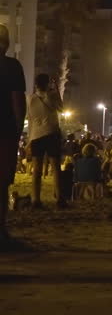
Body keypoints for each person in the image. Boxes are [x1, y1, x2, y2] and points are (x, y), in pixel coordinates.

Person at [0, 24, 27, 243]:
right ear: (6, 44)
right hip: (5, 132)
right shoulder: (12, 67)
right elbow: (18, 101)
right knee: (1, 183)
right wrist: (19, 130)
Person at [27, 72, 64, 208]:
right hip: (52, 133)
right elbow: (61, 108)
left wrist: (29, 141)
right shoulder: (52, 96)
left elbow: (30, 121)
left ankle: (35, 200)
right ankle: (59, 198)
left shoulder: (30, 98)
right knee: (55, 167)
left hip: (36, 136)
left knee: (36, 170)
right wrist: (57, 90)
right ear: (48, 83)